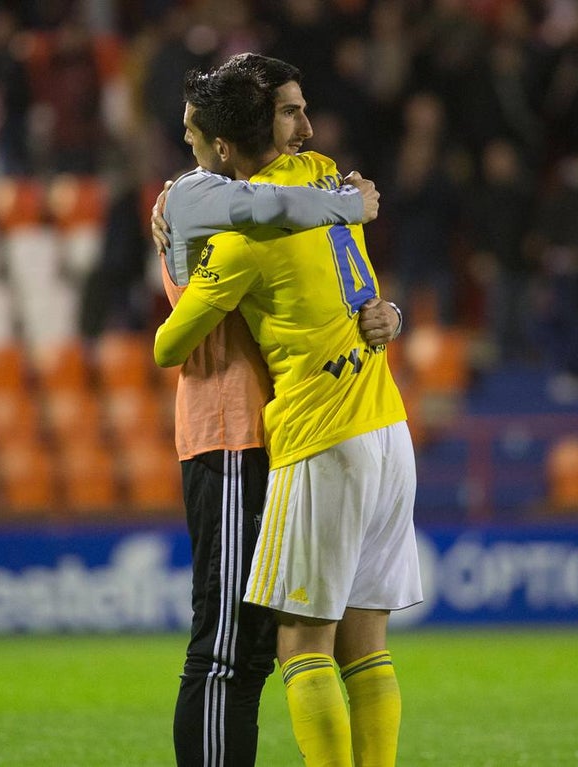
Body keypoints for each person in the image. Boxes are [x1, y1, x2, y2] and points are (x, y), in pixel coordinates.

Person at [154, 54, 420, 767]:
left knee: (289, 647)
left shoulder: (250, 225)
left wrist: (383, 312)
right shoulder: (317, 181)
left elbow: (169, 343)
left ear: (221, 140)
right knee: (347, 647)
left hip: (310, 430)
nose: (307, 128)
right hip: (367, 424)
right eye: (291, 112)